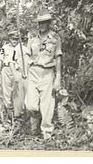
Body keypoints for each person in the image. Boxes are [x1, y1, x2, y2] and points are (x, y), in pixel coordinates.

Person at [25, 11, 62, 139]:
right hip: (33, 72)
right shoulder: (32, 38)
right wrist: (25, 72)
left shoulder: (55, 38)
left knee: (47, 105)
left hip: (47, 73)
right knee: (30, 104)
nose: (41, 25)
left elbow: (58, 57)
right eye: (39, 22)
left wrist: (58, 77)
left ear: (49, 23)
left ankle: (46, 132)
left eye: (44, 22)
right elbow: (27, 55)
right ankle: (34, 125)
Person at [0, 30, 28, 122]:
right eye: (12, 39)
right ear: (9, 39)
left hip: (17, 70)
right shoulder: (5, 47)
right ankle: (9, 114)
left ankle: (18, 115)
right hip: (6, 70)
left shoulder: (22, 48)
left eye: (16, 39)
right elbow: (0, 60)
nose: (14, 41)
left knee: (18, 92)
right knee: (6, 92)